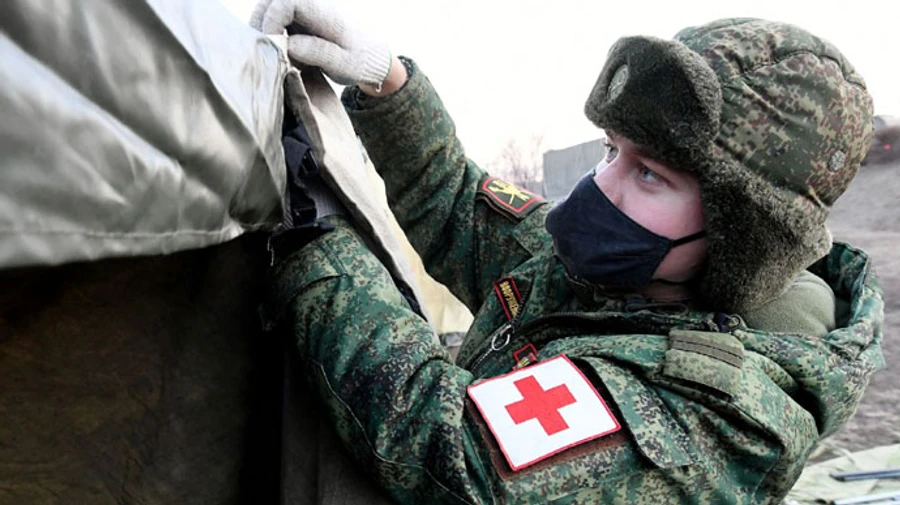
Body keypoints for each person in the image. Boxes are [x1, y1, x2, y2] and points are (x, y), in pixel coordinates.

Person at [253, 1, 886, 503]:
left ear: (741, 231)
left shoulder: (711, 409)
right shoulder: (624, 273)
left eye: (649, 174)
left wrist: (316, 248)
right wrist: (389, 83)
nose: (599, 186)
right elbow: (456, 208)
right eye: (612, 149)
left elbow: (451, 447)